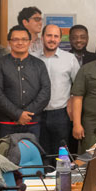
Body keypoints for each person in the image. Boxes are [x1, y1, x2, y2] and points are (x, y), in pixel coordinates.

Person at [0, 25, 50, 141]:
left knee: (31, 156)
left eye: (24, 39)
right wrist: (17, 114)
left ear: (30, 42)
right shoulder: (0, 64)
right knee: (6, 157)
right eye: (15, 39)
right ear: (9, 42)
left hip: (32, 122)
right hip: (6, 123)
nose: (20, 43)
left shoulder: (39, 64)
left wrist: (27, 114)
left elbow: (45, 91)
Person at [34, 24, 80, 157]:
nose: (52, 39)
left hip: (61, 115)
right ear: (42, 37)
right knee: (40, 154)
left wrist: (72, 106)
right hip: (37, 114)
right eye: (49, 35)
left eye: (56, 36)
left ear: (60, 39)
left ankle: (62, 178)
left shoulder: (70, 59)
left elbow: (77, 87)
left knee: (62, 155)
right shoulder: (32, 58)